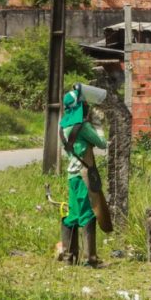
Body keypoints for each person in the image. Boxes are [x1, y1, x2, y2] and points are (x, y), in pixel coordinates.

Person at [59, 82, 109, 267]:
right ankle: (90, 260)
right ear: (81, 106)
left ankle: (68, 257)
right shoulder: (82, 127)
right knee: (88, 213)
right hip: (83, 176)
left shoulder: (63, 127)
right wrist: (97, 123)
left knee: (73, 214)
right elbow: (102, 143)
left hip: (72, 176)